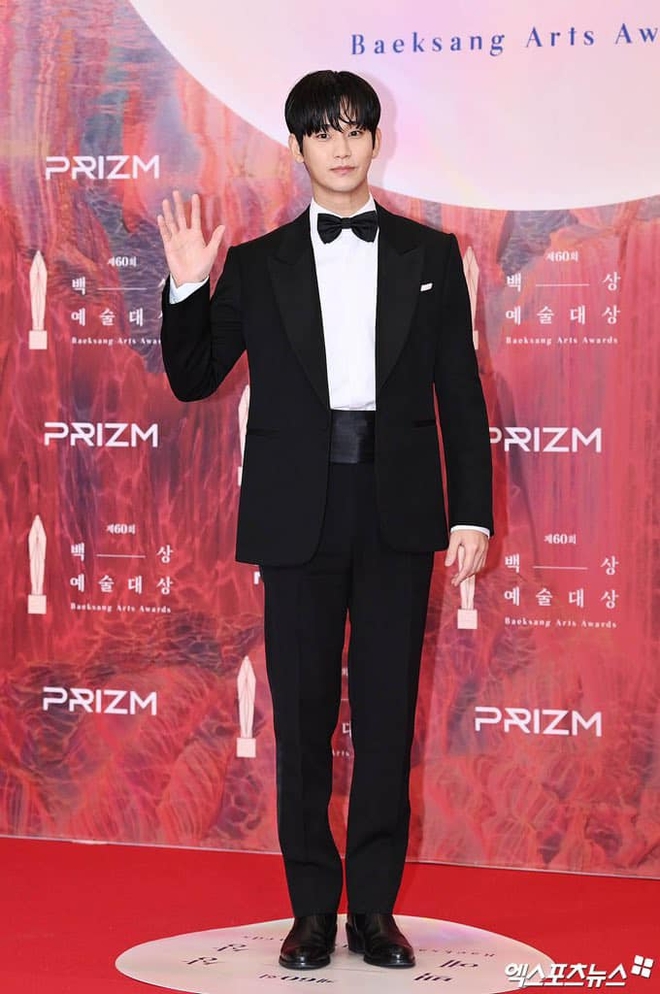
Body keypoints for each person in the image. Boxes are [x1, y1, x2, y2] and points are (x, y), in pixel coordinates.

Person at [158, 69, 492, 971]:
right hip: (298, 513)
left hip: (398, 509)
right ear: (298, 147)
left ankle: (374, 911)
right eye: (324, 132)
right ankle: (311, 909)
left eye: (355, 130)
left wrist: (472, 515)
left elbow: (461, 397)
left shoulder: (430, 255)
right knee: (302, 720)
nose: (341, 147)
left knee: (386, 718)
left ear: (375, 141)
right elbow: (193, 377)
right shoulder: (257, 264)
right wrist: (187, 288)